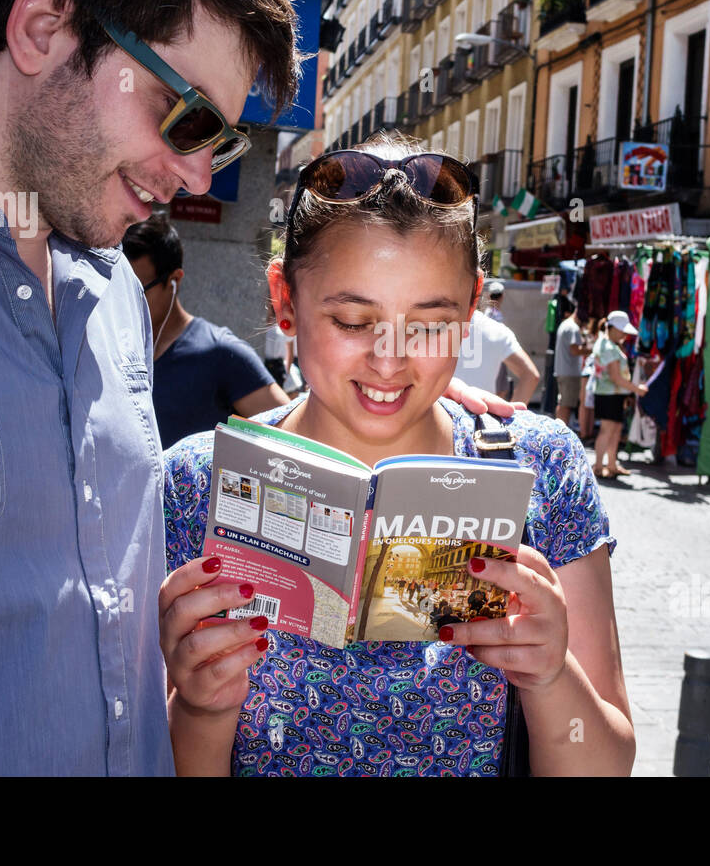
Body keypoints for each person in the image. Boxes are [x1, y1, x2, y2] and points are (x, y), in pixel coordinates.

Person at [0, 0, 517, 776]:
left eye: (222, 139)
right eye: (185, 113)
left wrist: (399, 392)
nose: (199, 173)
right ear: (43, 27)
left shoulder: (117, 293)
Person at [159, 135, 634, 776]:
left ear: (471, 310)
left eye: (430, 322)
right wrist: (203, 709)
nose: (389, 359)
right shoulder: (198, 481)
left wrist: (551, 677)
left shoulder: (541, 469)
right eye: (354, 321)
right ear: (284, 300)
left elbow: (604, 765)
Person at [122, 219, 288, 447]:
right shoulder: (114, 347)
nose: (124, 302)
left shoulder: (220, 352)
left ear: (174, 281)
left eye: (137, 291)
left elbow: (290, 438)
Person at [591, 312, 649, 479]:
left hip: (613, 395)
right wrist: (636, 389)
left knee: (615, 429)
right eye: (622, 330)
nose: (624, 334)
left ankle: (610, 464)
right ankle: (599, 466)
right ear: (613, 328)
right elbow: (616, 377)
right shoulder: (608, 346)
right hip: (608, 395)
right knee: (607, 430)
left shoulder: (608, 344)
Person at [454, 309, 541, 405]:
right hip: (482, 414)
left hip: (443, 415)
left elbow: (531, 376)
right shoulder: (498, 331)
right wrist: (511, 416)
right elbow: (531, 376)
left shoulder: (438, 327)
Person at [553, 298, 592, 429]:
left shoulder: (566, 325)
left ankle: (557, 429)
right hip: (569, 372)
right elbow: (574, 350)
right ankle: (560, 431)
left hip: (563, 370)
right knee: (567, 405)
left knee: (563, 403)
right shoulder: (572, 327)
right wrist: (592, 350)